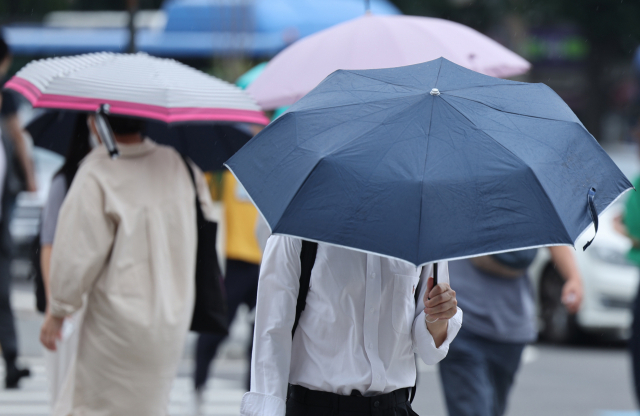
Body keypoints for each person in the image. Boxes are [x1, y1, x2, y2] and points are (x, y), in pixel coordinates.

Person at [39, 114, 216, 415]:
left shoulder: (98, 171)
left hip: (114, 328)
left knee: (95, 407)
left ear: (98, 123)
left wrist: (57, 311)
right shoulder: (180, 166)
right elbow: (207, 228)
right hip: (171, 321)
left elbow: (73, 257)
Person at [241, 235, 462, 416]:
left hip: (394, 407)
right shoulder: (299, 230)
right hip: (316, 407)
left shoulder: (423, 232)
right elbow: (272, 331)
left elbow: (429, 349)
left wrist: (438, 315)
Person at [439, 246, 583, 416]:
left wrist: (573, 278)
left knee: (492, 409)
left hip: (511, 328)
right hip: (462, 323)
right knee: (474, 410)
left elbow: (551, 237)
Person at [39, 114, 93, 409]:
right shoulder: (66, 179)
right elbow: (49, 243)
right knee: (63, 391)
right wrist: (53, 304)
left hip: (95, 299)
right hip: (69, 298)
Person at [194, 171, 262, 396]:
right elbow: (202, 187)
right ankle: (199, 383)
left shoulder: (278, 168)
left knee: (261, 337)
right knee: (215, 327)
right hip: (236, 260)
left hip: (265, 262)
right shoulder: (232, 170)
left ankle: (253, 392)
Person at [0, 38, 31, 389]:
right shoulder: (4, 96)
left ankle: (10, 358)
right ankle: (10, 357)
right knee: (2, 285)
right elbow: (18, 139)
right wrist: (32, 179)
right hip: (2, 209)